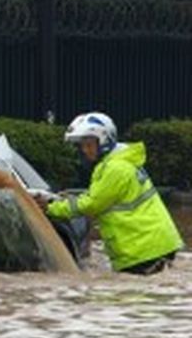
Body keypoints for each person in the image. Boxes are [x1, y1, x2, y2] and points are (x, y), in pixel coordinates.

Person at [37, 112, 184, 274]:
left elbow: (92, 204)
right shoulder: (117, 163)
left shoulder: (115, 168)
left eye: (89, 144)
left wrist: (50, 207)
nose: (85, 150)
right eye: (82, 145)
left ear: (104, 141)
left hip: (144, 249)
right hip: (150, 246)